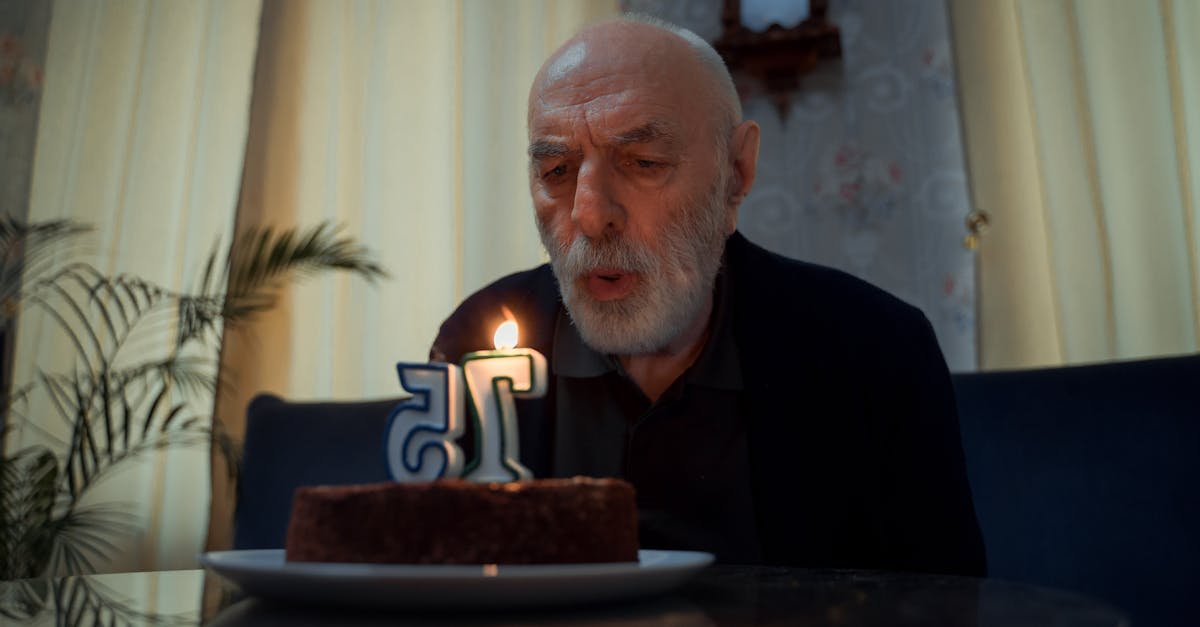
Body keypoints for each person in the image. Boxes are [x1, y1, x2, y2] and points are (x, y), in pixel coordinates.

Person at [431, 15, 986, 575]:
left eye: (643, 163)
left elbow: (945, 602)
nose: (589, 213)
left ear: (736, 172)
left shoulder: (875, 352)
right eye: (556, 169)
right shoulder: (477, 343)